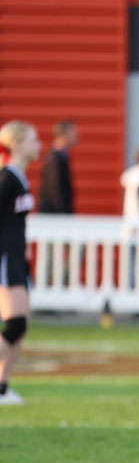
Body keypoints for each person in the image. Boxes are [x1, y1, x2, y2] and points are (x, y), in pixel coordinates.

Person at [0, 121, 42, 405]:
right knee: (14, 323)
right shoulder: (6, 179)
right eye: (32, 140)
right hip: (5, 256)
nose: (38, 145)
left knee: (21, 326)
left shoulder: (20, 179)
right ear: (15, 144)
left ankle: (2, 388)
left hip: (16, 257)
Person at [38, 119, 77, 214]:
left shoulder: (62, 155)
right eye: (73, 133)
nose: (76, 136)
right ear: (64, 134)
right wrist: (63, 215)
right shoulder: (54, 158)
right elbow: (54, 190)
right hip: (54, 217)